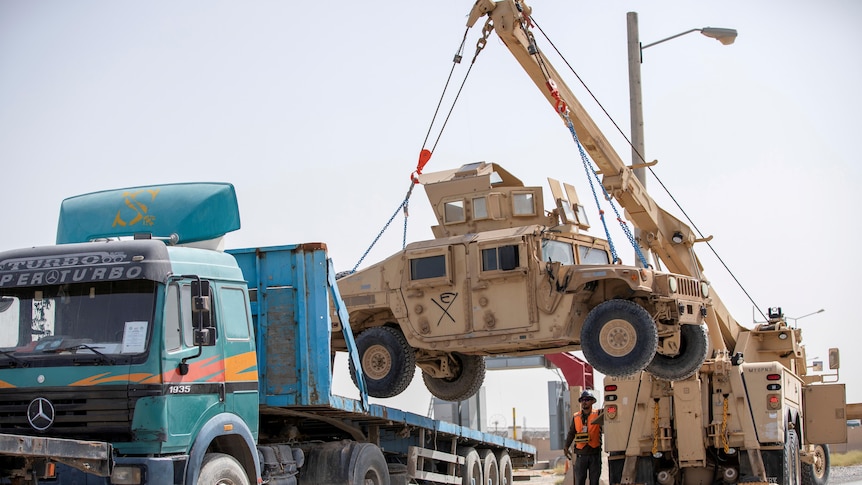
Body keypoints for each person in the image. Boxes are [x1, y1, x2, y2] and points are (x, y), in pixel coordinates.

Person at [564, 389, 603, 485]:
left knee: (594, 482)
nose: (584, 402)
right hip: (581, 455)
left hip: (594, 454)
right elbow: (571, 432)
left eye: (587, 399)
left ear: (592, 402)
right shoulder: (576, 416)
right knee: (580, 481)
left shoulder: (598, 414)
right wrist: (566, 446)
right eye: (582, 400)